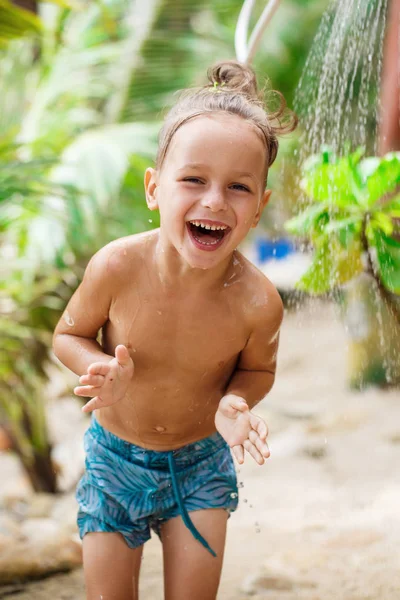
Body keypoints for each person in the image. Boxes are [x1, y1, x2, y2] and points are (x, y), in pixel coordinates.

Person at [53, 60, 297, 600]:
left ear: (259, 208)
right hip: (114, 459)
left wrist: (234, 401)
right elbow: (68, 335)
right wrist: (97, 369)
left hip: (201, 465)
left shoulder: (258, 302)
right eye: (193, 180)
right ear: (153, 188)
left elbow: (258, 369)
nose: (214, 200)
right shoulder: (116, 267)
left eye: (238, 187)